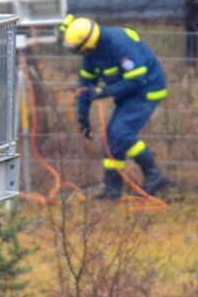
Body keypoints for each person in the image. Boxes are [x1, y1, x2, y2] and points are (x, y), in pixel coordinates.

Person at [60, 14, 172, 199]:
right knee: (111, 138)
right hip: (128, 95)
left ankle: (154, 175)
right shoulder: (91, 53)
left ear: (86, 44)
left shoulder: (119, 43)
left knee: (121, 132)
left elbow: (137, 79)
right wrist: (83, 117)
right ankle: (112, 189)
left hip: (147, 90)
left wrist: (105, 91)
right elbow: (85, 87)